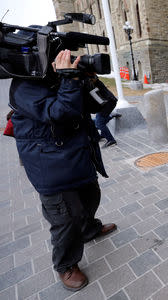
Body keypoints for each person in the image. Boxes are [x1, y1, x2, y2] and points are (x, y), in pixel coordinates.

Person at [10, 49, 117, 291]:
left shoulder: (66, 78)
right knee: (65, 218)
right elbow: (60, 112)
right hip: (50, 165)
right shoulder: (24, 86)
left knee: (90, 197)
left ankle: (89, 229)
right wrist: (69, 79)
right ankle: (66, 264)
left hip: (78, 157)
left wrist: (90, 79)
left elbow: (104, 104)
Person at [93, 79, 121, 148]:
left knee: (99, 123)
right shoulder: (90, 82)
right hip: (105, 103)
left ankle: (111, 140)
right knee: (98, 120)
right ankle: (102, 135)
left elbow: (96, 96)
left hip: (108, 103)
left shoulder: (92, 82)